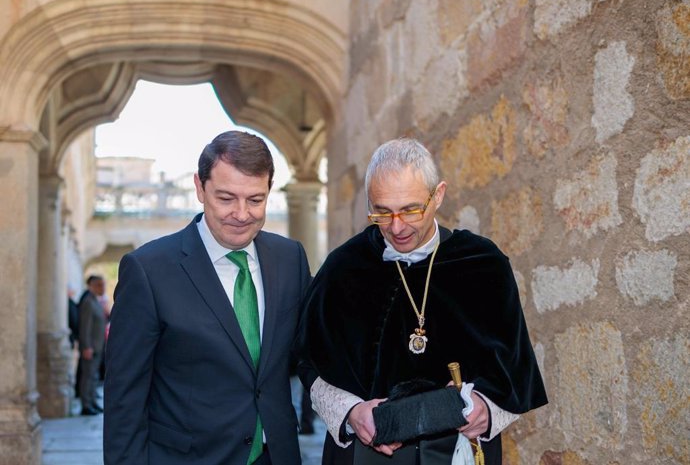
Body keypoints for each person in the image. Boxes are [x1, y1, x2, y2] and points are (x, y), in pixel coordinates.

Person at [299, 138, 547, 464]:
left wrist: (489, 410)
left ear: (438, 195)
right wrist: (351, 412)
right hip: (366, 453)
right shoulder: (343, 268)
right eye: (382, 213)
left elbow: (515, 368)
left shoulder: (483, 264)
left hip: (460, 450)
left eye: (410, 210)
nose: (397, 227)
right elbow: (309, 364)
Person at [104, 131, 311, 465]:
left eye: (255, 200)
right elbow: (124, 398)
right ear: (200, 188)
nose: (242, 214)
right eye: (226, 198)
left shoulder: (290, 259)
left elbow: (313, 352)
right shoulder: (148, 270)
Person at [78, 275, 107, 416]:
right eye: (100, 285)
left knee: (94, 376)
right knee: (88, 376)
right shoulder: (88, 302)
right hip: (91, 347)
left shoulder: (96, 301)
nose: (103, 288)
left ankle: (93, 401)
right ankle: (86, 404)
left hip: (98, 346)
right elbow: (85, 327)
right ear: (93, 286)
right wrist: (86, 346)